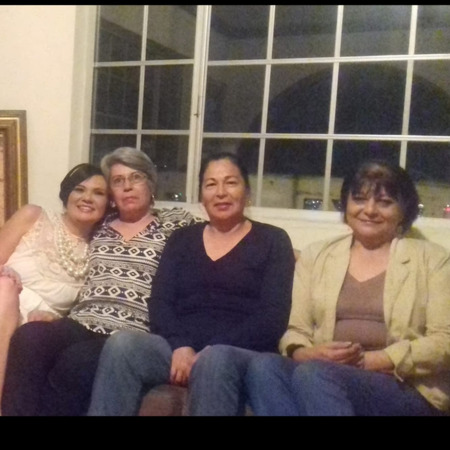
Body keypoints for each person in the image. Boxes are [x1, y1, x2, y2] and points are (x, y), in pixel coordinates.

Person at [87, 151, 295, 416]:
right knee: (122, 345)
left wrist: (211, 349)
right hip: (180, 348)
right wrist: (180, 345)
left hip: (240, 352)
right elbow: (160, 301)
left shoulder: (273, 240)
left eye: (231, 183)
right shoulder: (182, 239)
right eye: (211, 184)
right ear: (201, 197)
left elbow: (272, 317)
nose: (221, 192)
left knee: (215, 359)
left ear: (247, 192)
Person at [2, 146, 201, 416]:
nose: (127, 187)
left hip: (129, 328)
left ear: (151, 183)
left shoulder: (175, 224)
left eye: (136, 177)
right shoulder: (100, 224)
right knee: (30, 337)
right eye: (118, 181)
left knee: (75, 363)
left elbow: (218, 232)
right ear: (112, 195)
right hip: (81, 320)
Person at [245, 159, 450, 416]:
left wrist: (379, 359)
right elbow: (296, 329)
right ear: (346, 205)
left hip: (403, 386)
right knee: (263, 367)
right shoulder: (317, 256)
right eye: (359, 199)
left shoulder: (432, 260)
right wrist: (306, 353)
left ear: (403, 211)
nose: (370, 210)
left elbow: (444, 340)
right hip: (323, 373)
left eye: (384, 202)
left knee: (316, 375)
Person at [0, 163, 108, 413]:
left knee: (34, 338)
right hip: (4, 300)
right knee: (4, 291)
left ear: (108, 204)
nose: (87, 198)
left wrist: (53, 318)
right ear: (67, 193)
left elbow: (83, 311)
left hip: (35, 327)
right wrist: (5, 272)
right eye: (79, 189)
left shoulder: (101, 249)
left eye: (98, 193)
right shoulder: (34, 216)